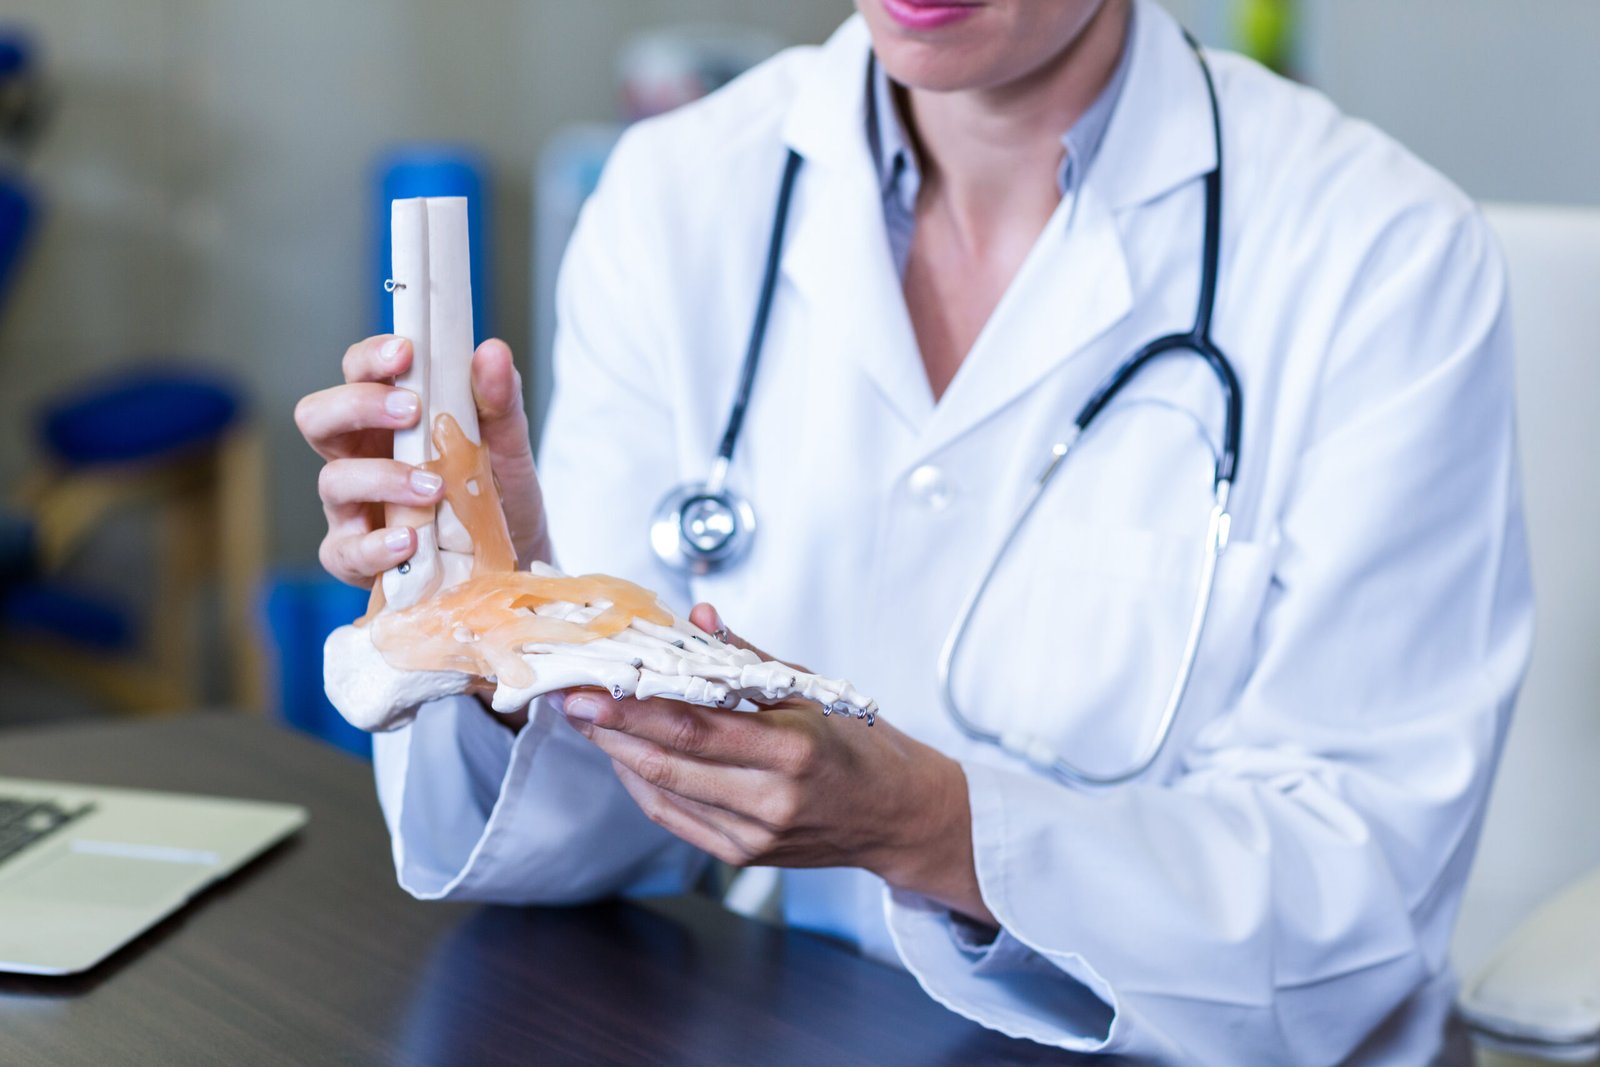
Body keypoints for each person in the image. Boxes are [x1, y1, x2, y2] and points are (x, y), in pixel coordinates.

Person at [294, 0, 1532, 1061]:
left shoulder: (1381, 252)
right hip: (788, 1014)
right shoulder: (678, 193)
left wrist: (935, 827)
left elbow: (1355, 902)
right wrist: (507, 614)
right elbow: (589, 846)